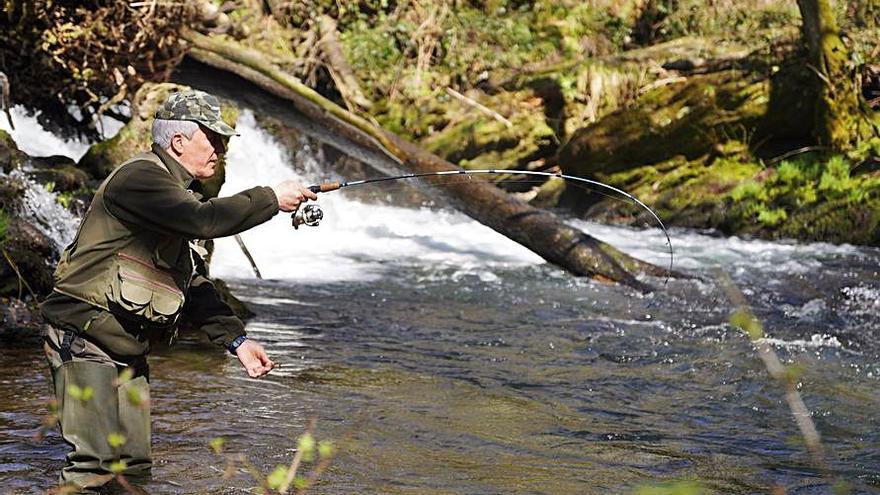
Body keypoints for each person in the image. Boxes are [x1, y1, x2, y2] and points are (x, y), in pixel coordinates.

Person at [40, 89, 317, 491]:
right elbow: (203, 221)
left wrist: (236, 339)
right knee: (92, 466)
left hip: (125, 345)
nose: (221, 148)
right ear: (179, 141)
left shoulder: (178, 192)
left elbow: (190, 281)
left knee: (132, 469)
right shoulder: (141, 179)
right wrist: (271, 199)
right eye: (213, 138)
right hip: (83, 335)